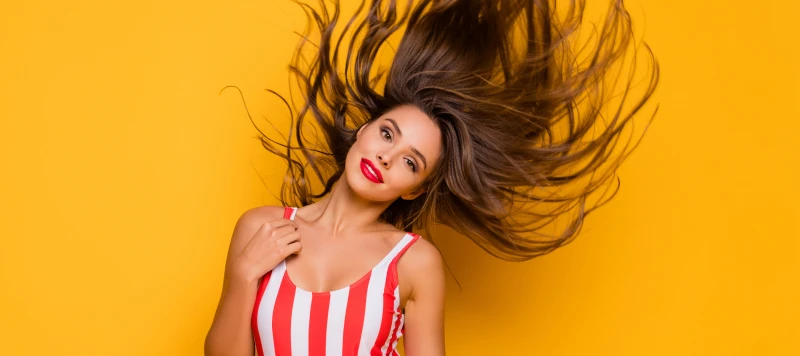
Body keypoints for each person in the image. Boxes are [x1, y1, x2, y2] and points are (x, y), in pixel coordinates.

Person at [205, 0, 659, 355]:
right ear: (364, 130)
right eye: (387, 133)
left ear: (418, 186)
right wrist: (245, 273)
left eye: (410, 161)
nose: (385, 158)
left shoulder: (413, 263)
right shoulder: (261, 229)